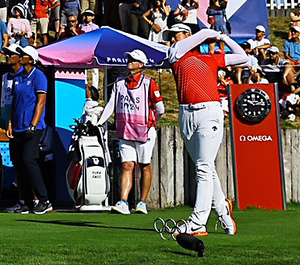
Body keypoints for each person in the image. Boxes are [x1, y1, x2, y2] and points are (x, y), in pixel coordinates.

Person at [166, 24, 248, 235]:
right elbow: (194, 39)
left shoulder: (211, 59)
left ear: (188, 35)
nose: (174, 38)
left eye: (178, 34)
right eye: (172, 35)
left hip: (209, 111)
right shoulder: (175, 55)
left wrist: (222, 37)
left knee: (203, 167)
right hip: (186, 113)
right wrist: (210, 34)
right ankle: (223, 212)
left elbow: (243, 57)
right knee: (206, 168)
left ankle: (197, 222)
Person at [96, 49, 165, 215]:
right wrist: (99, 123)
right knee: (127, 165)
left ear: (141, 65)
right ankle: (123, 202)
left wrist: (151, 121)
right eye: (129, 59)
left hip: (144, 132)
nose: (129, 61)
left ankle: (142, 202)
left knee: (144, 165)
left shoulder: (149, 83)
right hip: (125, 131)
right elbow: (111, 105)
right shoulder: (120, 83)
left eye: (133, 59)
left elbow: (160, 108)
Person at [6, 45, 51, 214]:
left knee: (29, 160)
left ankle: (44, 200)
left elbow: (40, 102)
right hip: (17, 127)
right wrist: (10, 122)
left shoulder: (39, 76)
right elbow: (14, 103)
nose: (20, 55)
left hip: (33, 127)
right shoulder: (18, 77)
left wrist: (33, 124)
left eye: (24, 54)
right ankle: (26, 201)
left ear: (31, 60)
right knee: (19, 163)